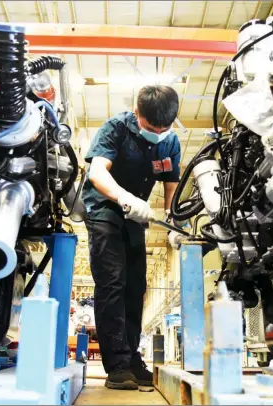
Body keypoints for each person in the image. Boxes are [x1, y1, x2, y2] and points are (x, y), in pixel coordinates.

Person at [82, 85, 181, 390]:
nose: (158, 133)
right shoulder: (115, 129)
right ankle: (117, 364)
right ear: (137, 113)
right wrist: (125, 198)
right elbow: (97, 173)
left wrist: (172, 218)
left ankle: (131, 355)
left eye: (164, 128)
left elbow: (170, 182)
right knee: (113, 281)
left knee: (136, 285)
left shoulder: (170, 142)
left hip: (135, 218)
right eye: (152, 128)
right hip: (105, 211)